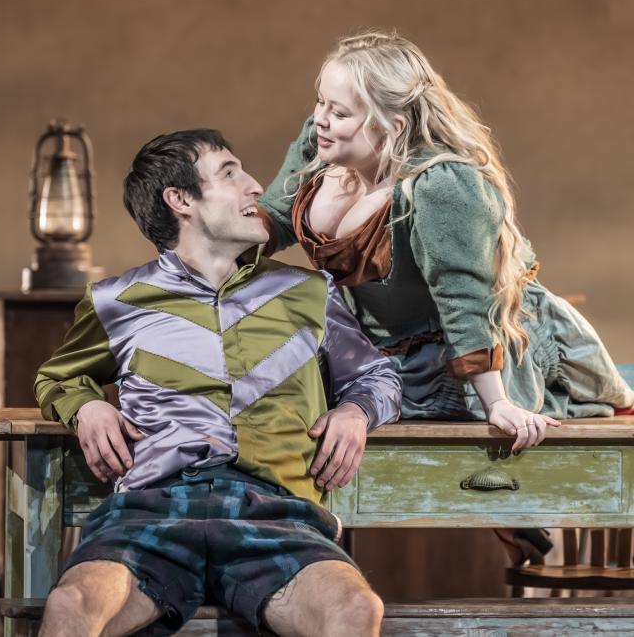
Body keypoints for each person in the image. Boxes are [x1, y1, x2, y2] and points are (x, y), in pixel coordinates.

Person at [34, 129, 402, 636]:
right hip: (150, 509)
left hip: (275, 511)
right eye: (230, 173)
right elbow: (58, 375)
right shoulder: (115, 300)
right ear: (181, 200)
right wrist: (87, 407)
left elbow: (376, 374)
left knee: (356, 610)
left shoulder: (309, 292)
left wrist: (356, 411)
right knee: (71, 607)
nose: (255, 186)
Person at [258, 31, 634, 455]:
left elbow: (463, 300)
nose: (321, 118)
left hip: (458, 354)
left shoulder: (440, 186)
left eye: (339, 111)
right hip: (370, 346)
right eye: (320, 100)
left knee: (597, 418)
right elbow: (272, 218)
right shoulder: (320, 142)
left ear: (391, 126)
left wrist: (496, 404)